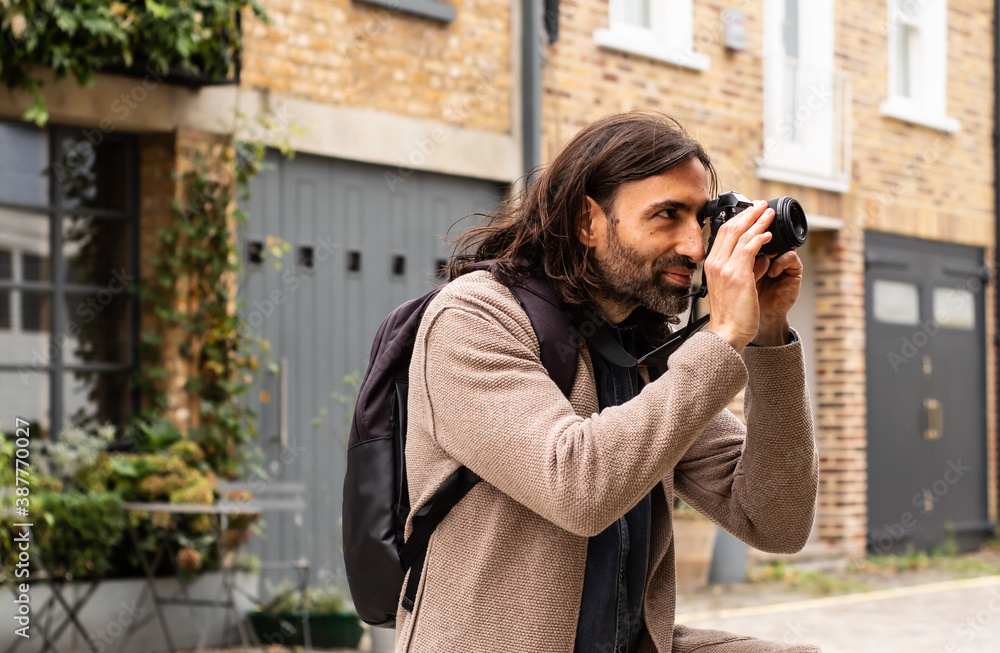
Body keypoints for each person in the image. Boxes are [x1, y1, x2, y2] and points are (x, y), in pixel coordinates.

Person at [396, 112, 820, 652]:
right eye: (667, 216)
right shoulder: (473, 318)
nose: (695, 247)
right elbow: (578, 489)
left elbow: (774, 522)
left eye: (700, 219)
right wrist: (722, 337)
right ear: (585, 221)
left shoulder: (643, 350)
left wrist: (768, 334)